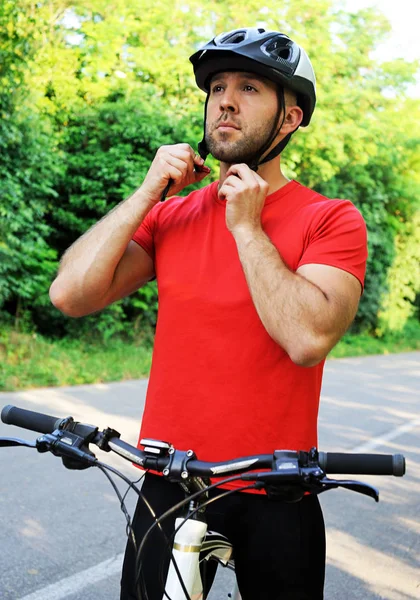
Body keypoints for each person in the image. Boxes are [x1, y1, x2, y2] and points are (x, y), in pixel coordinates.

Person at [50, 27, 368, 600]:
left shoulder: (331, 219)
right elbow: (71, 295)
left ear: (289, 118)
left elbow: (307, 337)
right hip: (169, 482)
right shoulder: (173, 215)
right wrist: (148, 193)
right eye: (217, 86)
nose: (225, 99)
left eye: (249, 87)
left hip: (277, 490)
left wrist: (246, 226)